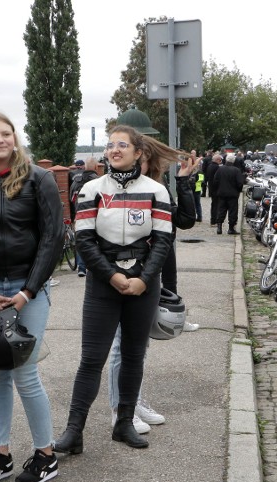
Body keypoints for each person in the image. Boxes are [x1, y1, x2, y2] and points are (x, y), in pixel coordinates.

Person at [53, 125, 173, 453]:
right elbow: (85, 241)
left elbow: (163, 241)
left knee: (134, 356)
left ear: (138, 153)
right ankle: (73, 431)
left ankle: (124, 424)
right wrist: (111, 277)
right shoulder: (92, 189)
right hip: (103, 284)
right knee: (92, 359)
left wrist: (143, 279)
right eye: (110, 145)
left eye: (122, 145)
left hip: (142, 283)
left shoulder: (155, 191)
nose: (114, 150)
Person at [0, 112, 63, 482]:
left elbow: (52, 238)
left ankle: (46, 454)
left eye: (6, 133)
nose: (0, 140)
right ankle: (1, 453)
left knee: (24, 370)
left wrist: (27, 292)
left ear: (15, 138)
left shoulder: (39, 179)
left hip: (29, 285)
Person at [105, 135, 197, 433]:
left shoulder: (156, 191)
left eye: (143, 161)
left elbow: (184, 220)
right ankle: (120, 410)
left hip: (149, 278)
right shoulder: (112, 190)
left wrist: (183, 181)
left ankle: (133, 401)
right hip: (120, 277)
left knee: (139, 346)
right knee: (121, 345)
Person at [69, 158, 99, 277]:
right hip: (96, 216)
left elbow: (71, 199)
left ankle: (81, 268)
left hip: (79, 215)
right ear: (96, 167)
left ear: (85, 167)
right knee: (97, 241)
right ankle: (96, 267)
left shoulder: (76, 181)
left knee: (81, 240)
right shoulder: (99, 181)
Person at [214, 153, 244, 235]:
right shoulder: (236, 170)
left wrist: (218, 189)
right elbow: (240, 183)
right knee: (233, 212)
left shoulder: (220, 169)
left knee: (221, 210)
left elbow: (215, 181)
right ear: (233, 161)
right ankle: (231, 228)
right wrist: (238, 190)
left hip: (222, 193)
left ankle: (219, 227)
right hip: (233, 194)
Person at [207, 153, 222, 226]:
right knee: (216, 205)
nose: (221, 161)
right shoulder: (217, 167)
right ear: (217, 160)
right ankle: (214, 220)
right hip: (216, 189)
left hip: (211, 188)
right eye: (220, 160)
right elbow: (217, 179)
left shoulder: (210, 166)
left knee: (213, 205)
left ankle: (213, 220)